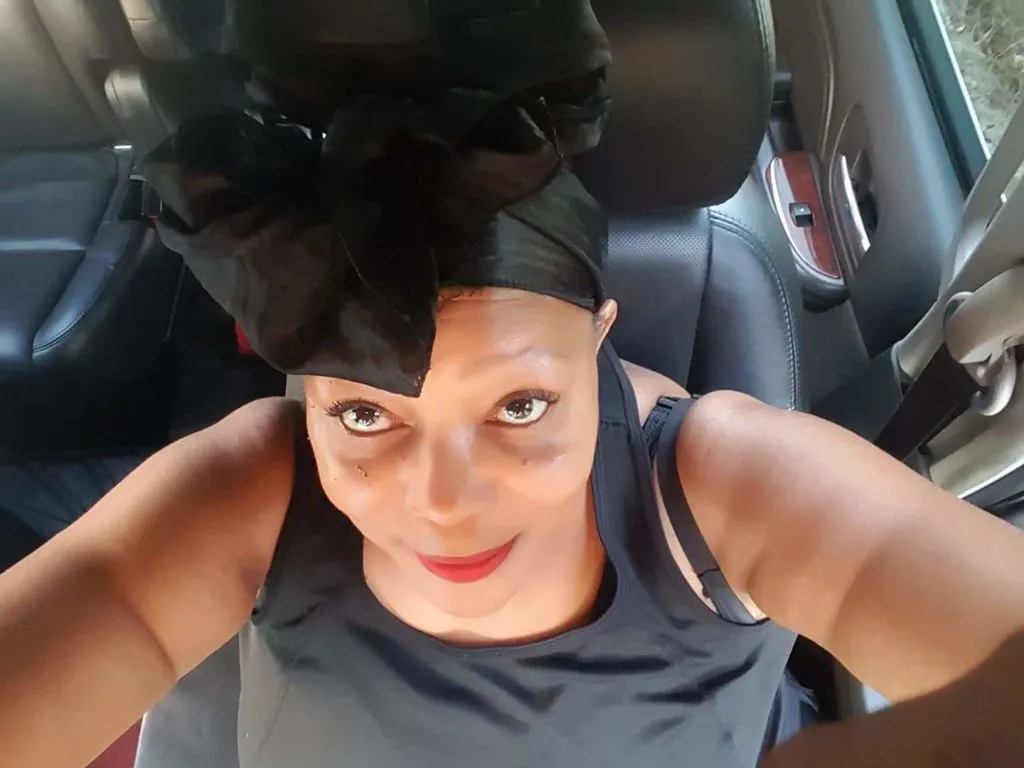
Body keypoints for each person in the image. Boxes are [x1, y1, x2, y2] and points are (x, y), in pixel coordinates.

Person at [3, 84, 1024, 768]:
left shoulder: (726, 485)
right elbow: (96, 610)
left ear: (598, 343)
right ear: (300, 394)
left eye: (519, 405)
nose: (442, 503)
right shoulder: (257, 486)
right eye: (364, 413)